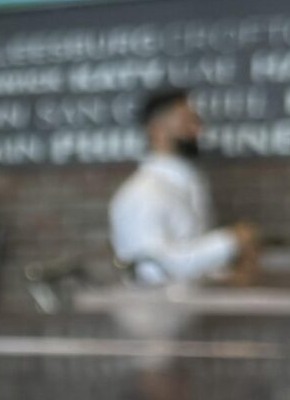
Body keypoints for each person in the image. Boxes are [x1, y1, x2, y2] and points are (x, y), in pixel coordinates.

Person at [109, 88, 258, 284]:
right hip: (154, 313)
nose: (197, 130)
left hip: (190, 311)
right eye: (186, 121)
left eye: (196, 121)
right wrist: (230, 241)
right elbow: (152, 270)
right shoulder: (141, 193)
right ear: (157, 130)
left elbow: (191, 263)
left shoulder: (187, 184)